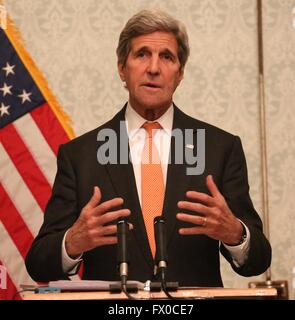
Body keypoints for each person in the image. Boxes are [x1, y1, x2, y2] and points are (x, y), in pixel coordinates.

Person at [25, 9, 271, 287]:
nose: (153, 68)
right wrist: (72, 242)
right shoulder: (80, 155)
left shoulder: (220, 148)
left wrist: (236, 234)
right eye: (142, 54)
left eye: (167, 57)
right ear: (122, 68)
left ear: (179, 74)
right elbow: (39, 265)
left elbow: (259, 260)